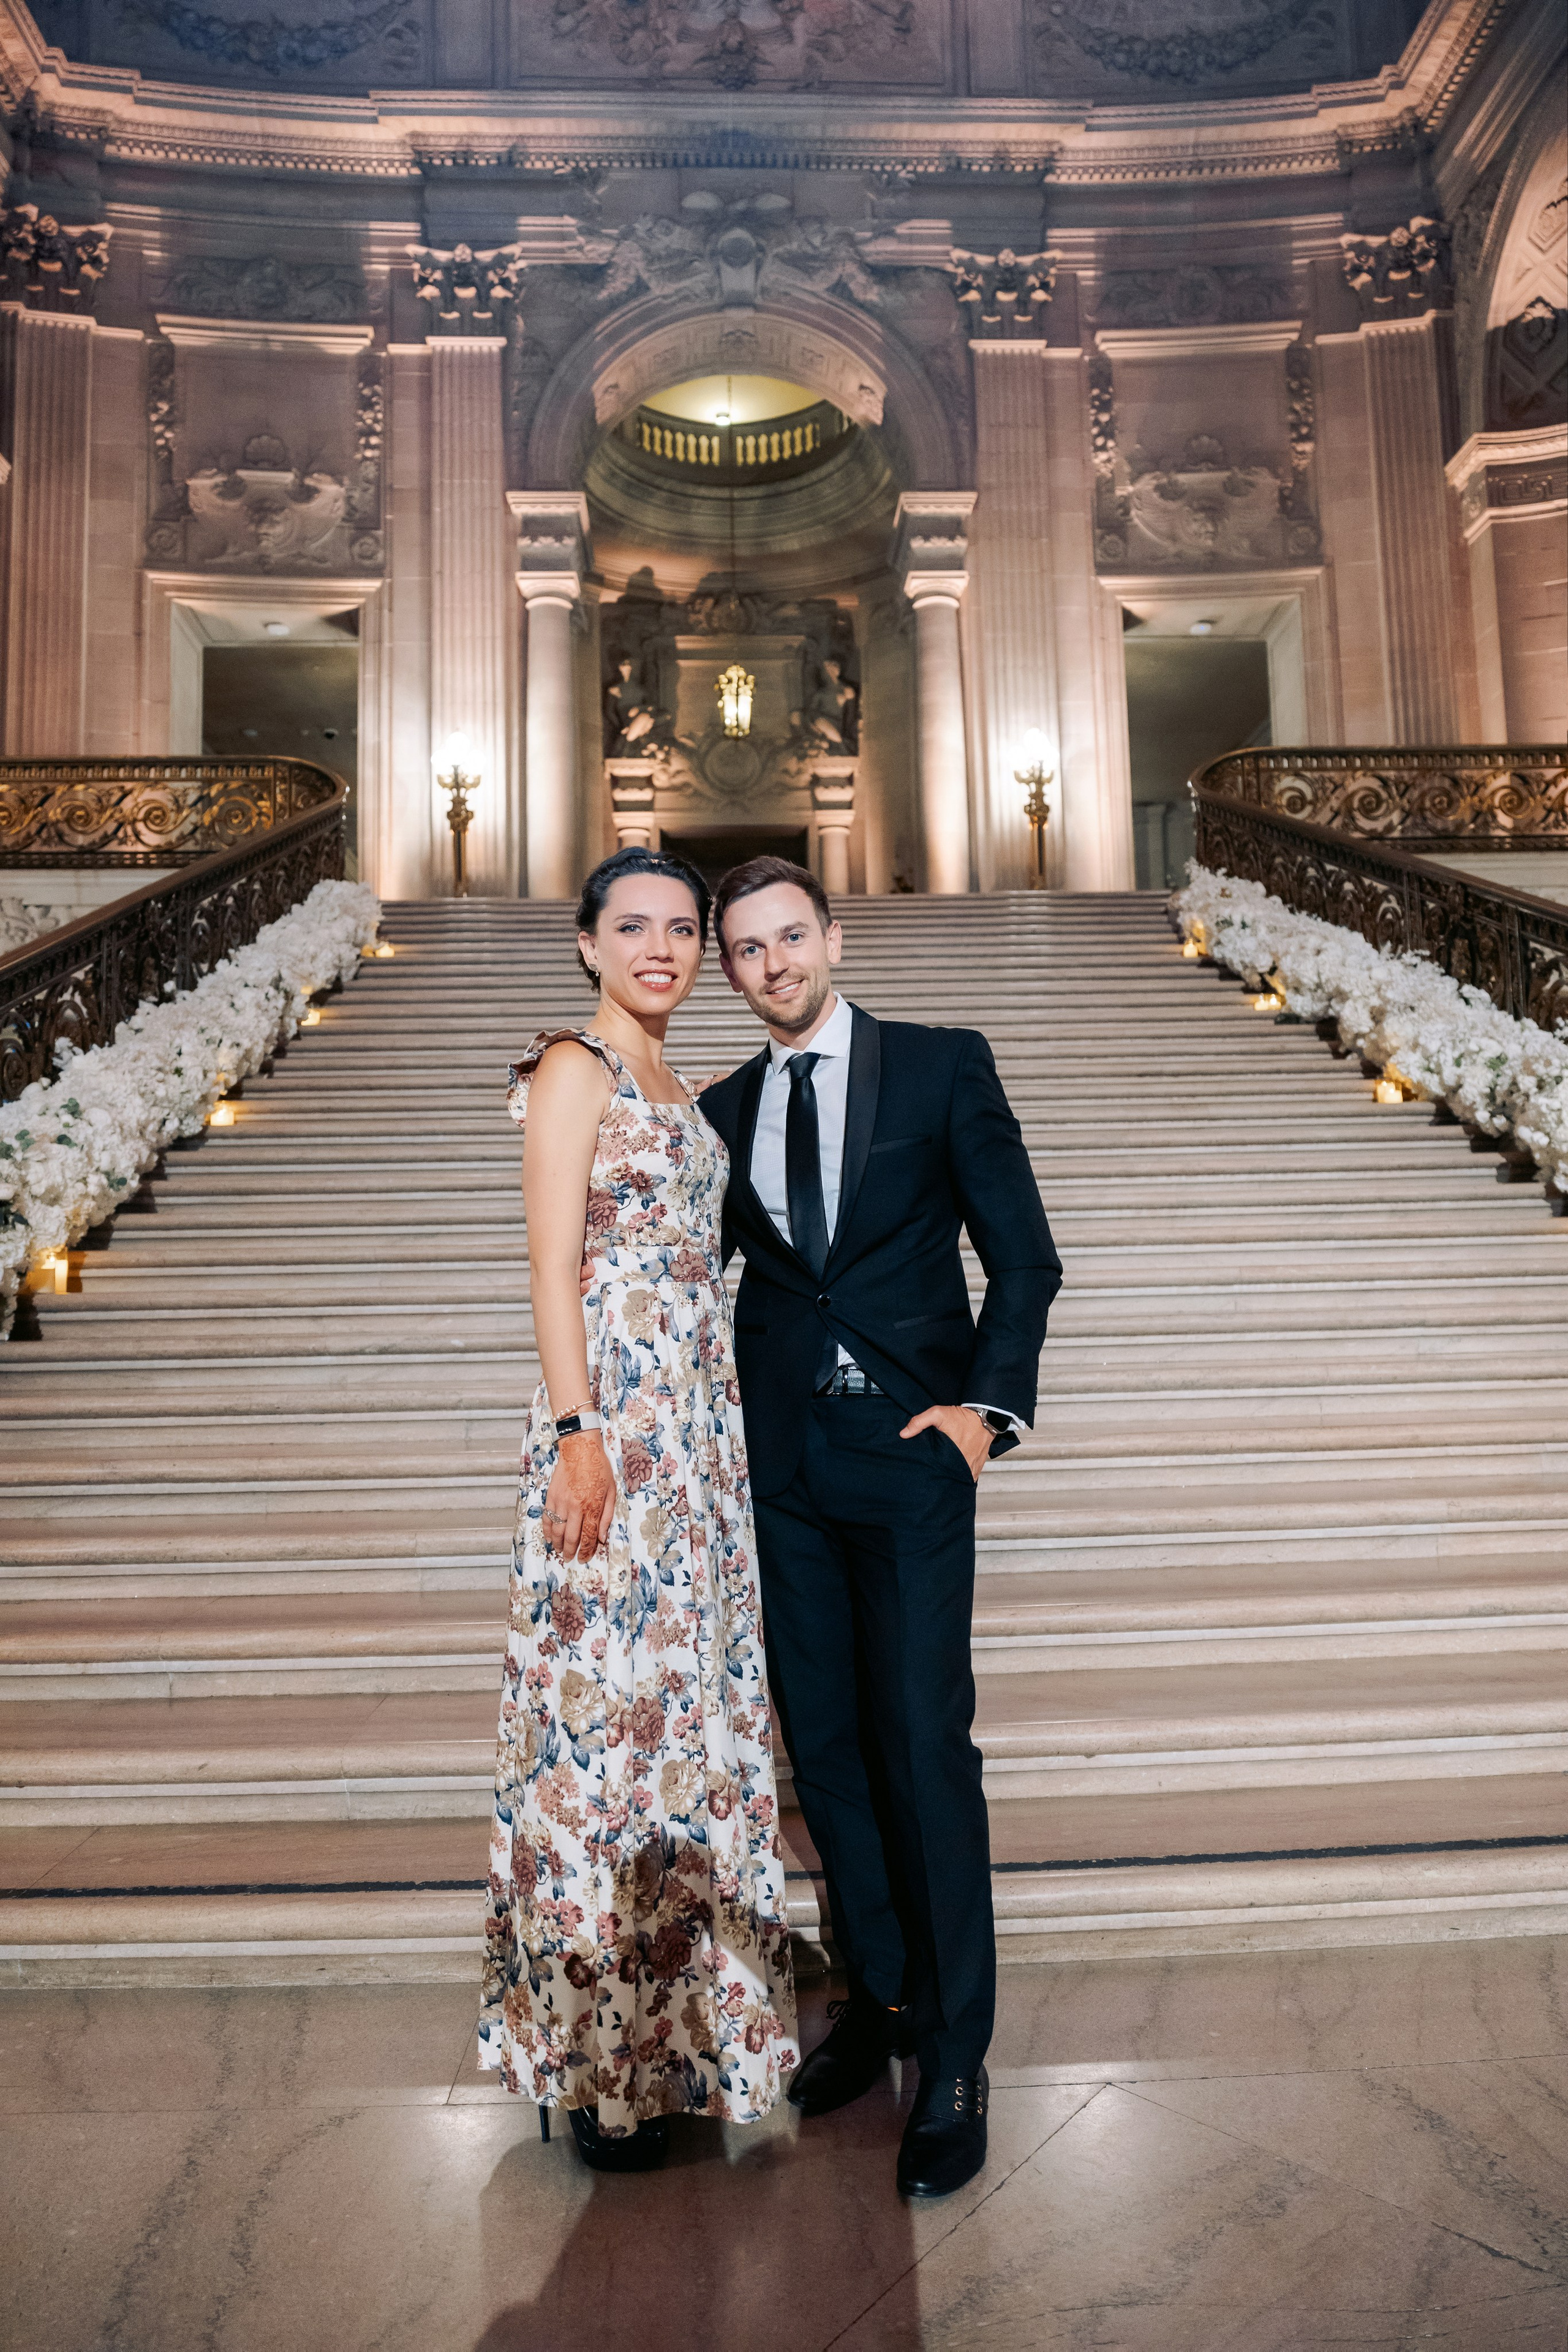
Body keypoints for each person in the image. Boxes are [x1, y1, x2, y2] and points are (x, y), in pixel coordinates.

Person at [698, 856, 1061, 2200]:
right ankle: (884, 1998)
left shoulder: (937, 1064)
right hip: (779, 1469)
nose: (773, 962)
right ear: (728, 969)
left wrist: (984, 1415)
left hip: (911, 1459)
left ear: (832, 938)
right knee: (831, 1756)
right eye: (746, 948)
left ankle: (958, 2054)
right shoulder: (719, 1107)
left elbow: (1023, 1256)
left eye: (791, 936)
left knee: (920, 1748)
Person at [478, 845, 799, 2173]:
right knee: (601, 1735)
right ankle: (599, 2067)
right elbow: (553, 1265)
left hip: (696, 1450)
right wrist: (577, 1439)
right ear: (587, 943)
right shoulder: (577, 1068)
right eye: (634, 927)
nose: (661, 948)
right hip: (612, 1436)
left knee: (683, 1736)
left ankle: (681, 2043)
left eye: (681, 929)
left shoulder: (680, 1083)